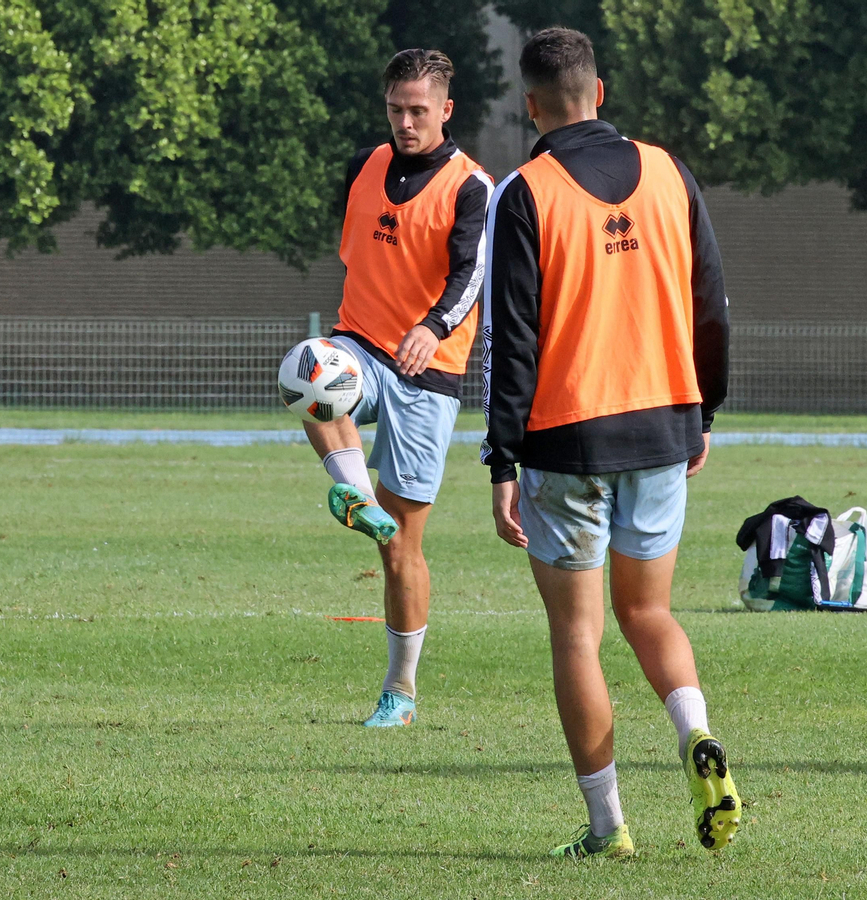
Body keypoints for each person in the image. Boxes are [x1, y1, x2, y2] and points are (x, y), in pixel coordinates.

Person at [482, 27, 737, 856]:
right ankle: (697, 733)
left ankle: (607, 827)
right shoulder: (668, 171)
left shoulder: (526, 191)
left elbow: (513, 340)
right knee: (650, 611)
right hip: (666, 422)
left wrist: (501, 457)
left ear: (530, 105)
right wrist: (706, 411)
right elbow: (712, 305)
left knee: (577, 636)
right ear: (602, 90)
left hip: (568, 439)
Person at [302, 48, 492, 729]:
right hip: (360, 344)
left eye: (419, 110)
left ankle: (400, 689)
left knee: (400, 548)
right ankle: (352, 490)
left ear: (446, 109)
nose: (406, 122)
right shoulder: (364, 164)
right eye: (395, 109)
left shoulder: (473, 187)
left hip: (427, 372)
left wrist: (432, 326)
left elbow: (473, 275)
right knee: (308, 367)